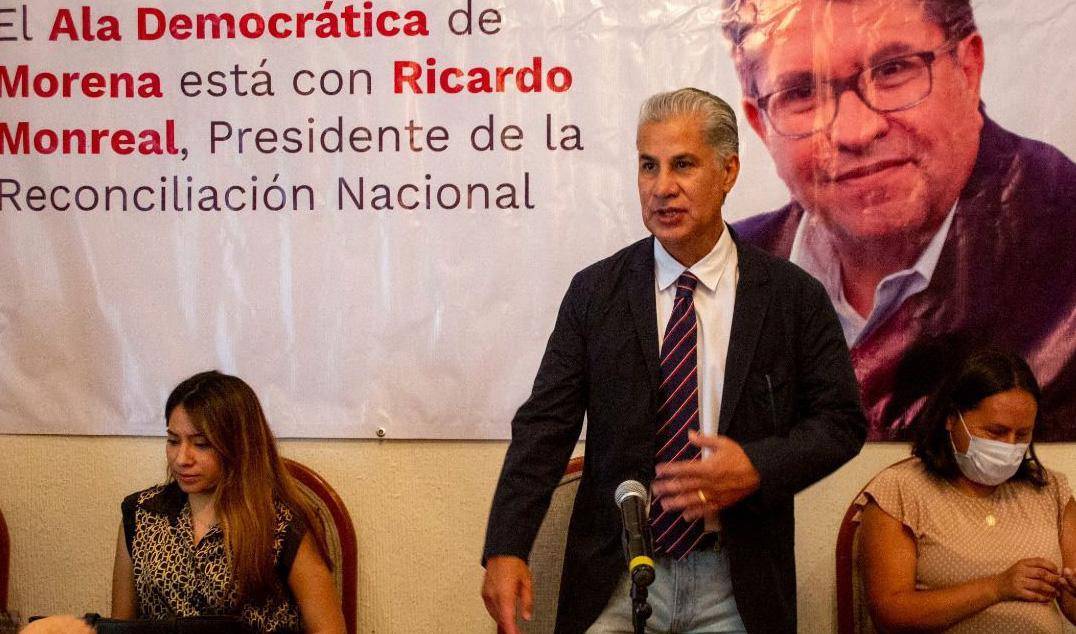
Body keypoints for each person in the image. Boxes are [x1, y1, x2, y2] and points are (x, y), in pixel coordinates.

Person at [481, 87, 866, 634]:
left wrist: (758, 466)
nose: (662, 187)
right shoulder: (596, 292)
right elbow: (545, 425)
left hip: (737, 582)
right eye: (648, 166)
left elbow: (840, 423)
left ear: (728, 171)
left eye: (683, 164)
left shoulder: (791, 297)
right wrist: (506, 545)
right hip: (616, 577)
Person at [721, 0, 1076, 441]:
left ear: (969, 70)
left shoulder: (1067, 245)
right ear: (761, 125)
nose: (855, 131)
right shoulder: (724, 278)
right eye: (801, 93)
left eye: (891, 70)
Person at [856, 348, 1076, 632]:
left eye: (1022, 434)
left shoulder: (1050, 490)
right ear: (951, 419)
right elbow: (890, 614)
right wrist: (997, 588)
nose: (1010, 445)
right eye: (995, 432)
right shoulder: (900, 490)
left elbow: (1071, 603)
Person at [110, 371, 345, 634]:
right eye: (173, 441)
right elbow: (122, 626)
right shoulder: (141, 513)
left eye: (201, 444)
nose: (181, 458)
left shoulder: (281, 524)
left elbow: (329, 630)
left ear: (239, 445)